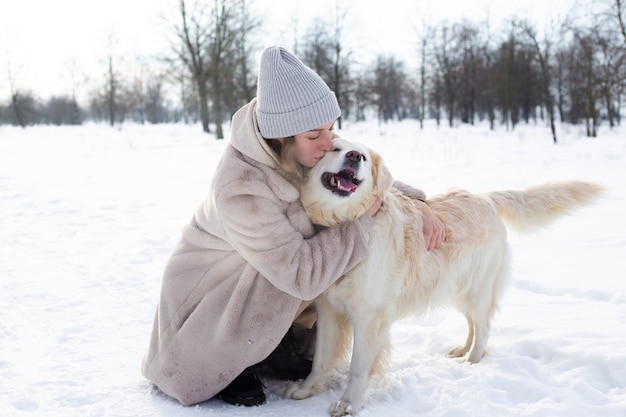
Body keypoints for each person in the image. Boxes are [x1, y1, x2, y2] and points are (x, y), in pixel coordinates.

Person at [141, 46, 445, 408]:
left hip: (267, 273)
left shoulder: (301, 147)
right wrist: (362, 222)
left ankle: (277, 342)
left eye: (331, 129)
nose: (329, 143)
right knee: (289, 270)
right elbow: (299, 274)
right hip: (215, 291)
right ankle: (232, 359)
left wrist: (415, 202)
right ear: (283, 136)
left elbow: (353, 176)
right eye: (316, 134)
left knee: (300, 261)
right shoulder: (241, 188)